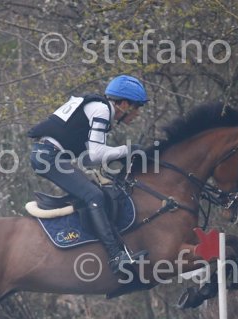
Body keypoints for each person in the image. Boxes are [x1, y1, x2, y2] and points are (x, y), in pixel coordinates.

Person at [28, 75, 148, 276]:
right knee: (94, 195)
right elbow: (97, 154)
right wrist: (128, 150)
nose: (138, 113)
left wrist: (122, 156)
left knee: (99, 191)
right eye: (137, 107)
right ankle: (115, 256)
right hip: (49, 157)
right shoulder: (101, 110)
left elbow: (89, 158)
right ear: (124, 104)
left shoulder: (99, 109)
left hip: (49, 155)